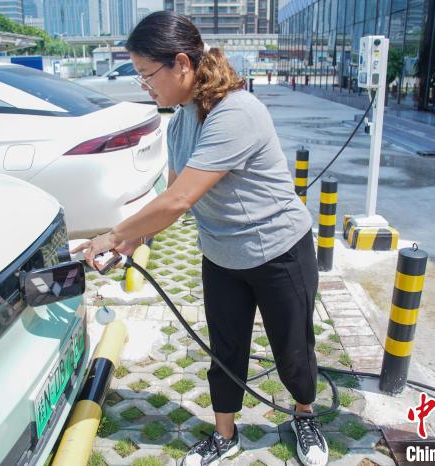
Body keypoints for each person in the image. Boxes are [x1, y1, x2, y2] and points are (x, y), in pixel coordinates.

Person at [72, 11, 328, 466]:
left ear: (182, 64)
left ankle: (304, 415)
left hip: (279, 251)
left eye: (148, 75)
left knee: (292, 349)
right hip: (222, 255)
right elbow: (173, 195)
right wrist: (132, 243)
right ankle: (226, 435)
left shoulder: (238, 112)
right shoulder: (179, 122)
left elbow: (179, 199)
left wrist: (112, 235)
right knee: (225, 350)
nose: (145, 87)